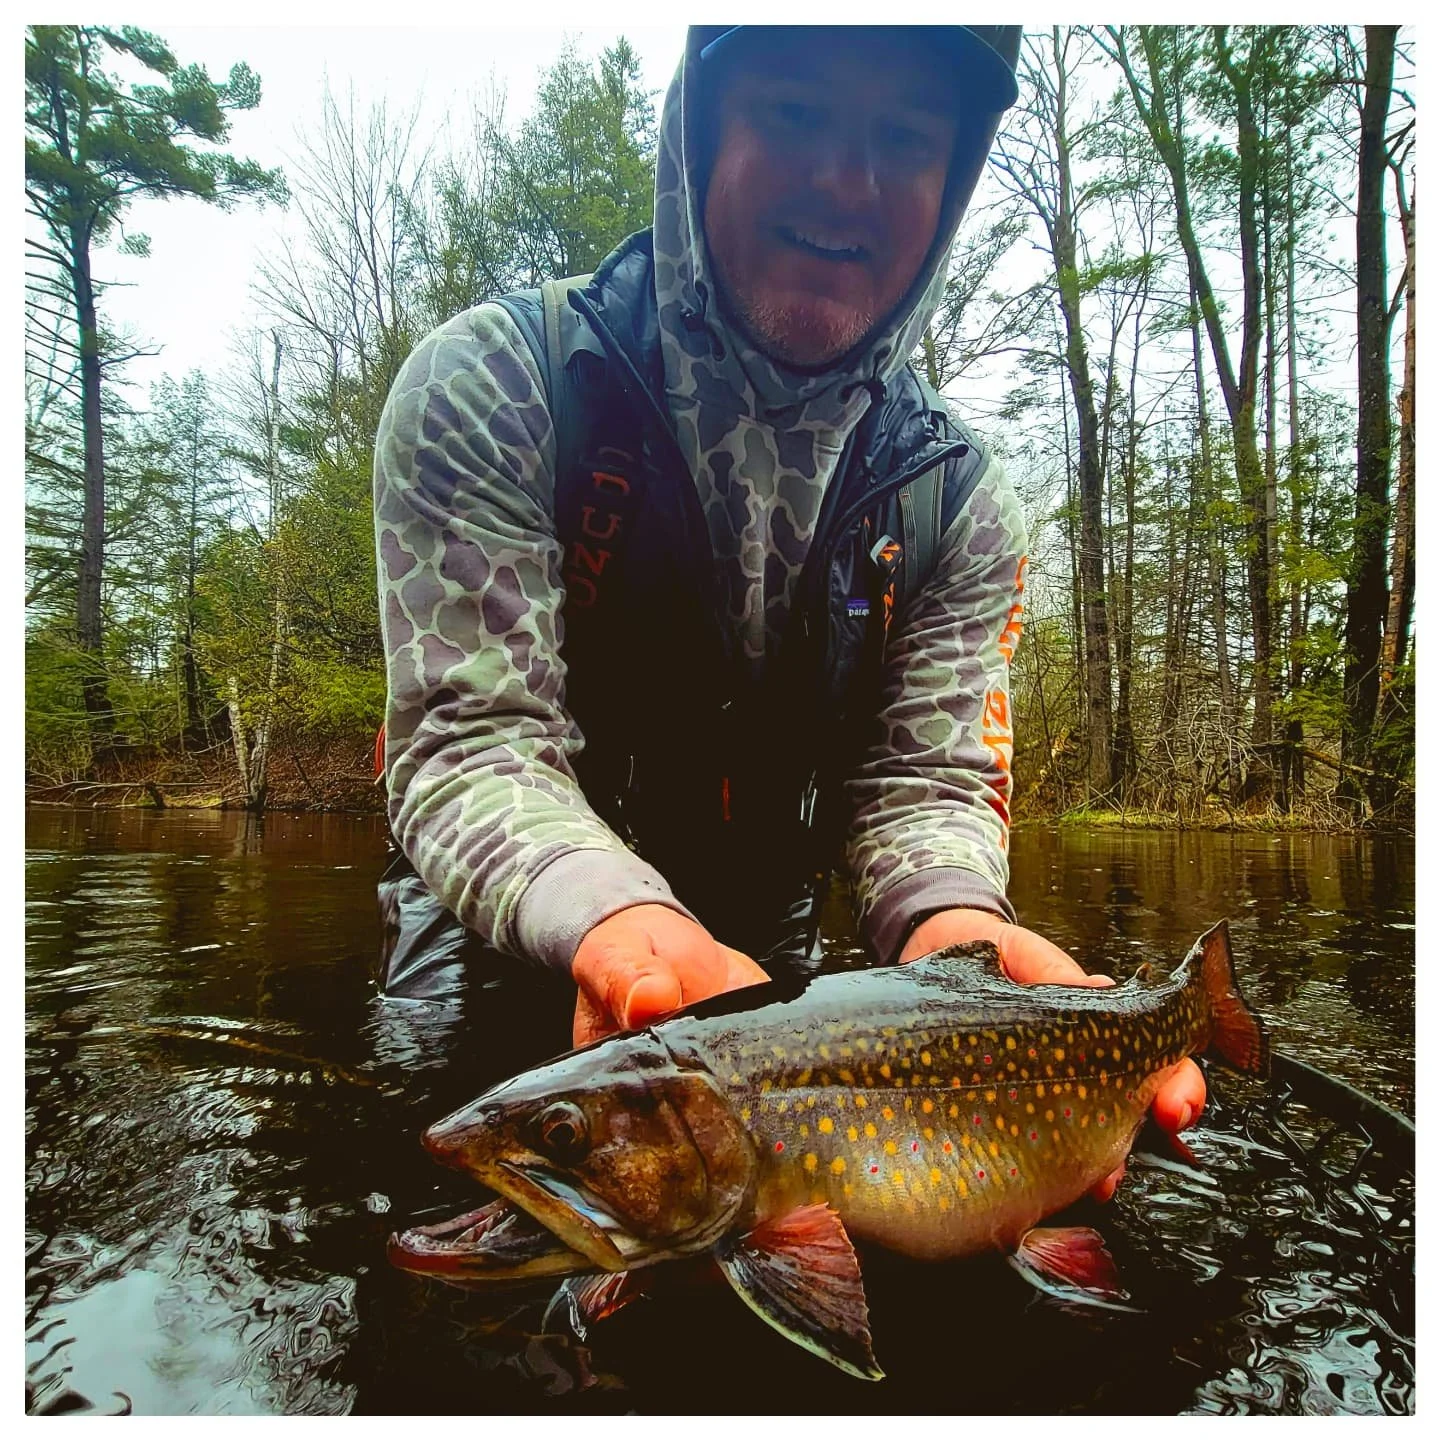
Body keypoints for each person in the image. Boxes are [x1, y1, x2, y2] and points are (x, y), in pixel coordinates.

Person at [372, 25, 1204, 1199]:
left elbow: (926, 786)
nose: (848, 183)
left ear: (951, 179)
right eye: (800, 112)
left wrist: (956, 937)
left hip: (787, 1007)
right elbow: (472, 742)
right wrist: (614, 918)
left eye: (904, 137)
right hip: (492, 952)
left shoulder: (954, 496)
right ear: (701, 128)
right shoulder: (494, 388)